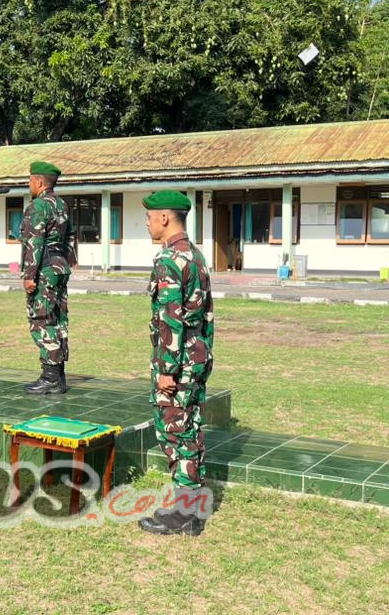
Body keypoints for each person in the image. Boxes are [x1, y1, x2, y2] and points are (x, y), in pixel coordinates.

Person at [136, 190, 214, 538]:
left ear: (165, 218)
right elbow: (206, 317)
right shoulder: (195, 256)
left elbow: (171, 320)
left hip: (177, 361)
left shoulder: (169, 260)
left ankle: (184, 515)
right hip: (196, 356)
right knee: (190, 429)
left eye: (150, 217)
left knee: (176, 432)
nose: (147, 222)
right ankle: (191, 509)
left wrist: (167, 369)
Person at [19, 161, 77, 395]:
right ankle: (58, 375)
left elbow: (35, 242)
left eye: (31, 180)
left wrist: (29, 275)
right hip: (59, 267)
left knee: (41, 320)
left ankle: (50, 377)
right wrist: (70, 258)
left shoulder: (38, 206)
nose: (28, 184)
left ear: (40, 182)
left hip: (44, 269)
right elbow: (71, 234)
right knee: (57, 319)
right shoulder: (61, 205)